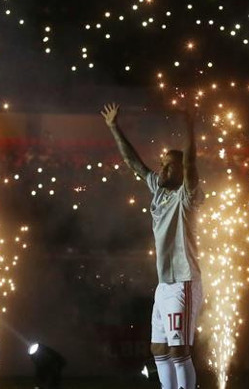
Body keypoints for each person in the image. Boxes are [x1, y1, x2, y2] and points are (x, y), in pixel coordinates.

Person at [100, 102, 204, 389]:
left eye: (170, 165)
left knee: (179, 351)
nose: (162, 168)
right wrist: (114, 127)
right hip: (164, 284)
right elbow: (134, 163)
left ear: (181, 171)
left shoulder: (187, 195)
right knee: (159, 350)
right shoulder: (158, 191)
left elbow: (192, 163)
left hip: (183, 282)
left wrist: (190, 125)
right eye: (162, 163)